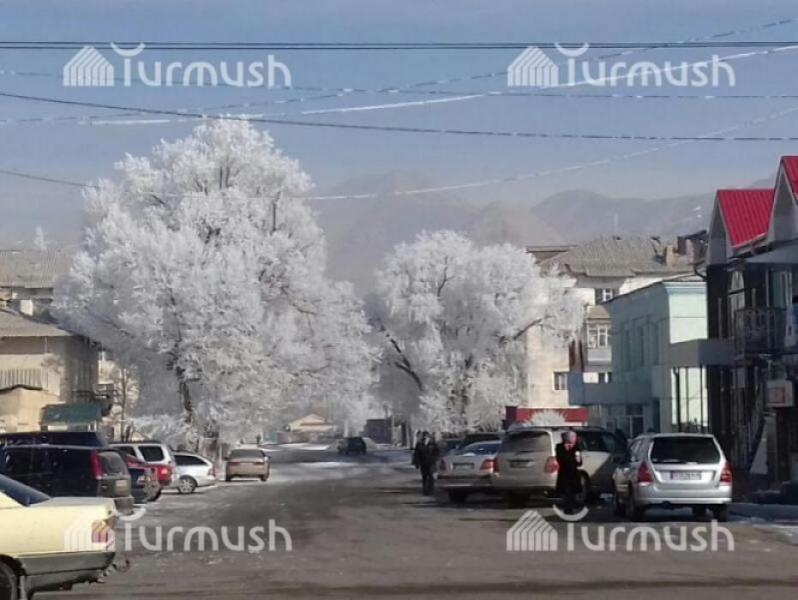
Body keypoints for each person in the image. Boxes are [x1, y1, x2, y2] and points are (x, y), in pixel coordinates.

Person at [555, 430, 583, 514]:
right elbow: (560, 459)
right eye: (572, 437)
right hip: (564, 472)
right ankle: (568, 507)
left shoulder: (576, 447)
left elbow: (579, 462)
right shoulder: (559, 447)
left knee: (573, 490)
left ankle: (570, 505)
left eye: (574, 437)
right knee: (566, 490)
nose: (573, 439)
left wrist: (578, 459)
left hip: (573, 472)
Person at [412, 431, 440, 495]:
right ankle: (425, 490)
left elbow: (437, 453)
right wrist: (416, 463)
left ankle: (431, 490)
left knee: (431, 476)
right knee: (424, 477)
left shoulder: (433, 444)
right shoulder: (419, 444)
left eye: (426, 436)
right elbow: (416, 454)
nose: (425, 437)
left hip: (431, 463)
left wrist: (434, 459)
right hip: (423, 463)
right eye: (424, 436)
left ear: (429, 437)